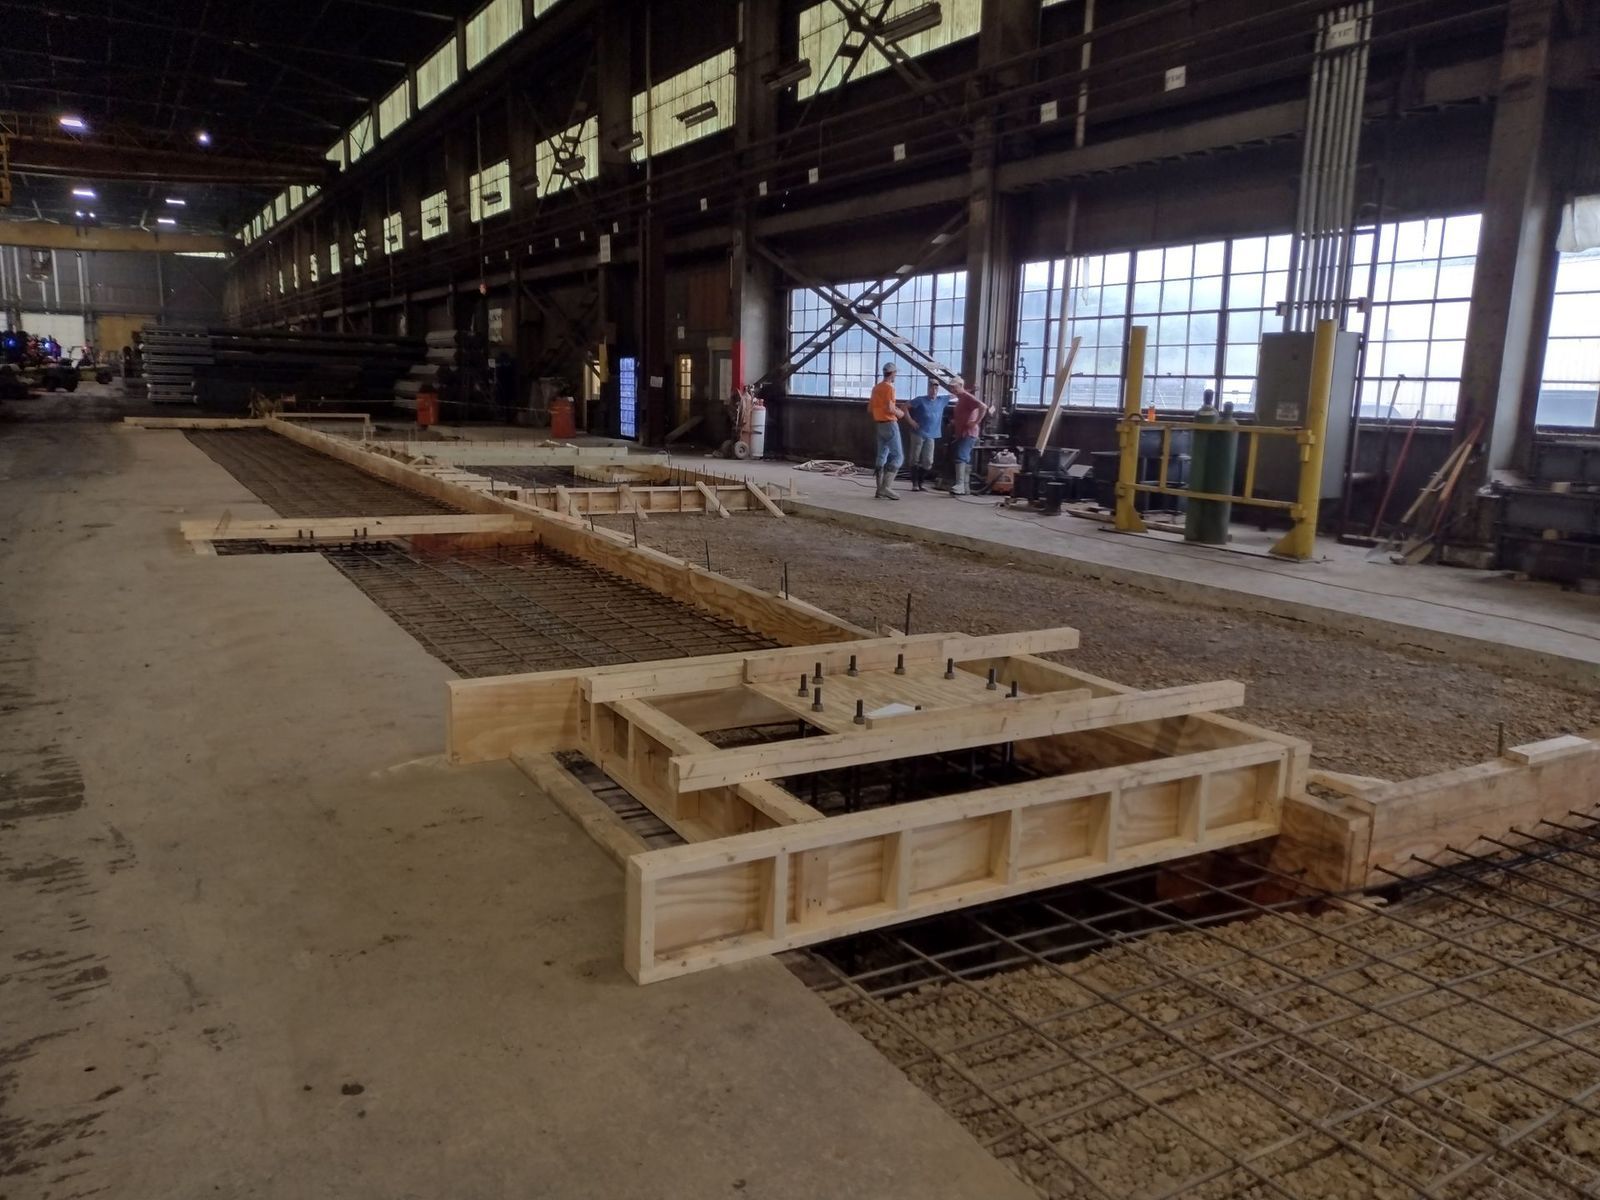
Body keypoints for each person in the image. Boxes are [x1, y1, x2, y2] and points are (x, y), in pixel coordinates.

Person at [905, 376, 951, 492]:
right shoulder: (920, 400)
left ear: (938, 390)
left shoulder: (942, 400)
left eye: (936, 388)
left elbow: (958, 394)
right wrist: (911, 421)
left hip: (932, 434)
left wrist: (970, 390)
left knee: (928, 461)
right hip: (918, 433)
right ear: (928, 389)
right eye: (931, 388)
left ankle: (921, 481)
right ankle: (915, 483)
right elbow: (904, 407)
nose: (934, 390)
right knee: (914, 458)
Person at [867, 362, 906, 501]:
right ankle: (886, 487)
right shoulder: (889, 388)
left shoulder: (876, 388)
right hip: (890, 424)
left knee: (881, 456)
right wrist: (900, 413)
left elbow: (870, 408)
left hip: (879, 425)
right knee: (898, 457)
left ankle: (879, 490)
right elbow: (890, 408)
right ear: (893, 373)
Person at [948, 376, 990, 496]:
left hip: (968, 433)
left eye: (954, 387)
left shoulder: (967, 397)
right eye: (951, 387)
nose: (952, 389)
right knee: (963, 457)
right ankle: (965, 487)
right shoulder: (961, 398)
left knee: (961, 456)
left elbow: (983, 406)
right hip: (962, 432)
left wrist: (976, 422)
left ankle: (960, 485)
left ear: (961, 386)